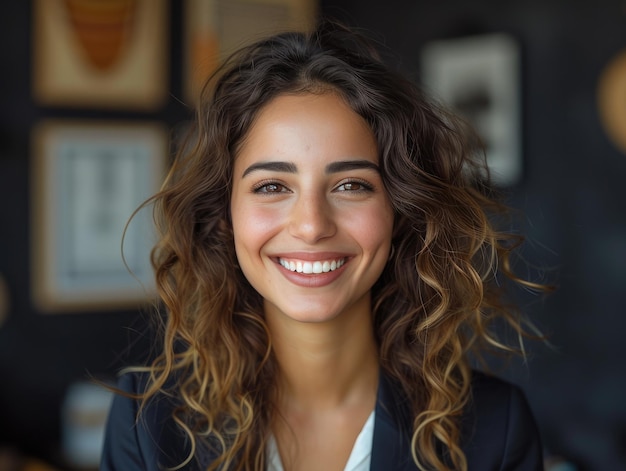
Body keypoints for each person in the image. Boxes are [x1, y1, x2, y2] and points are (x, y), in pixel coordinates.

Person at [101, 20, 549, 471]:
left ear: (400, 213)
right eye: (273, 186)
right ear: (224, 216)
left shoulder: (496, 428)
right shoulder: (148, 426)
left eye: (352, 185)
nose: (312, 225)